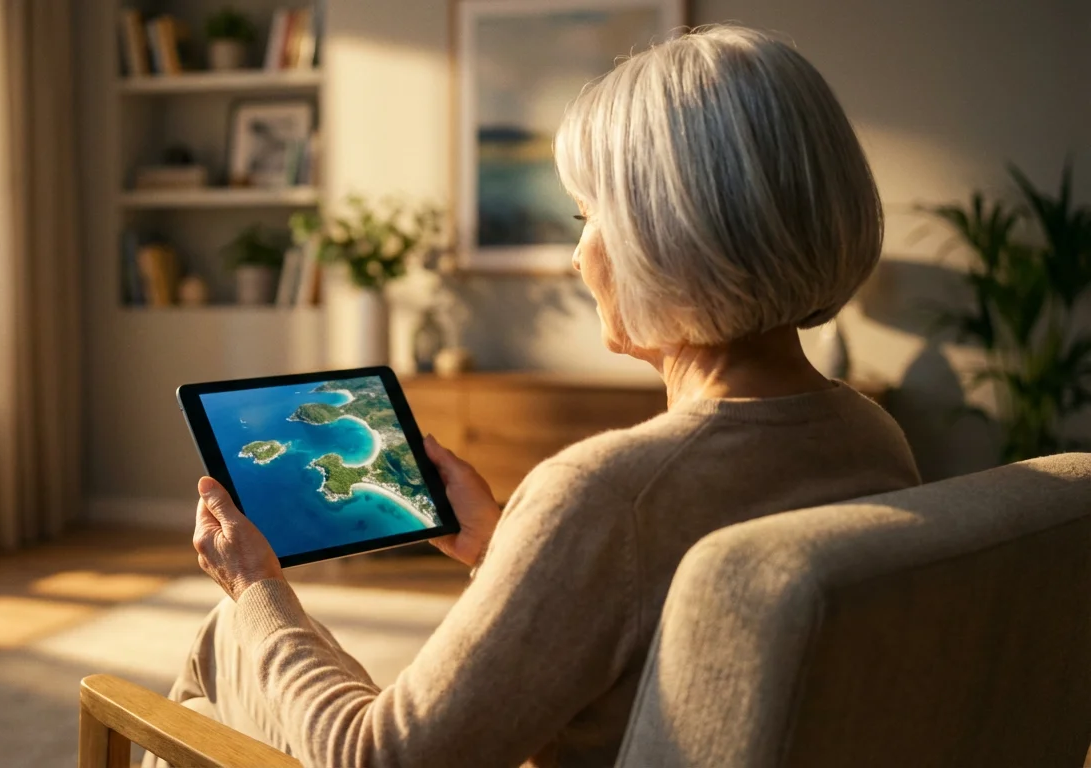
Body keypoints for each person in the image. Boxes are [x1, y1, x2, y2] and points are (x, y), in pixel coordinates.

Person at [148, 24, 920, 768]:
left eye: (587, 217)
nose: (577, 255)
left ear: (663, 238)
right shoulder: (871, 435)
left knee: (228, 637)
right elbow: (666, 631)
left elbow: (379, 757)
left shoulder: (606, 496)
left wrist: (255, 587)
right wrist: (501, 552)